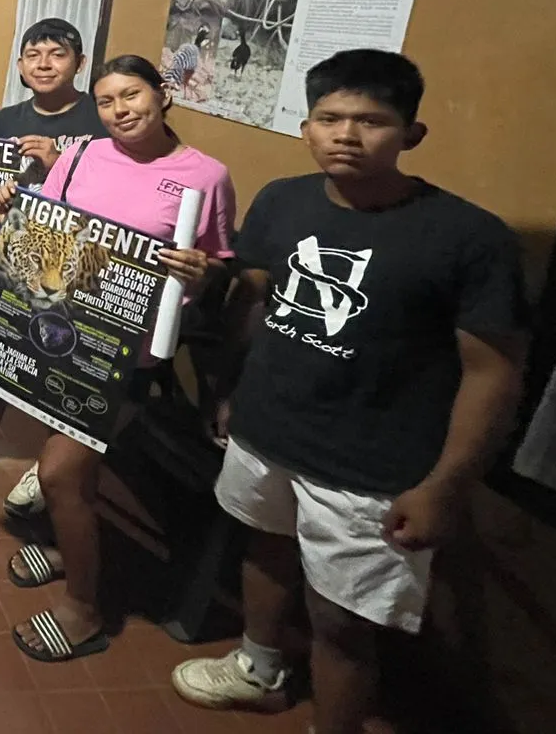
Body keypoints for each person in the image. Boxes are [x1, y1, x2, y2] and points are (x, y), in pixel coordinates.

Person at [171, 51, 528, 734]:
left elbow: (494, 373)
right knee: (265, 549)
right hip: (267, 429)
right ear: (306, 126)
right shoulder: (284, 199)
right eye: (330, 117)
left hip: (372, 468)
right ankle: (258, 667)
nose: (347, 134)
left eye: (372, 120)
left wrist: (446, 485)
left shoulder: (467, 239)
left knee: (342, 621)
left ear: (411, 134)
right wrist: (228, 385)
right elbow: (257, 296)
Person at [0, 54, 235, 665]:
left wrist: (201, 274)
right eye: (106, 102)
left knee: (58, 470)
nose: (119, 110)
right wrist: (13, 210)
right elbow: (46, 228)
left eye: (131, 95)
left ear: (163, 96)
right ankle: (62, 542)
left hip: (129, 354)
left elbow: (218, 272)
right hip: (58, 332)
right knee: (73, 469)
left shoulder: (205, 176)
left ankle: (84, 612)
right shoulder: (79, 156)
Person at [0, 18, 106, 493]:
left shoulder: (100, 120)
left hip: (76, 268)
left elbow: (117, 196)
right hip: (13, 261)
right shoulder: (6, 120)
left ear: (80, 63)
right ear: (19, 65)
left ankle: (47, 465)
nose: (44, 64)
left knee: (64, 363)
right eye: (33, 55)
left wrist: (60, 166)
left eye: (57, 54)